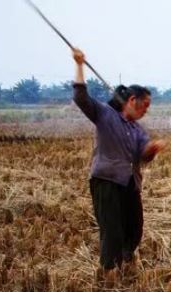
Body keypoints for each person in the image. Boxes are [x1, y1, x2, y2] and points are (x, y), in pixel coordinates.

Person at [71, 47, 165, 275]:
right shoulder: (104, 114)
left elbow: (143, 157)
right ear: (132, 100)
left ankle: (125, 262)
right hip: (106, 181)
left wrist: (151, 150)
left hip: (130, 184)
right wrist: (80, 65)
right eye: (145, 105)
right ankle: (108, 272)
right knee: (111, 230)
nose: (146, 111)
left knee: (134, 229)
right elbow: (81, 98)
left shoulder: (138, 130)